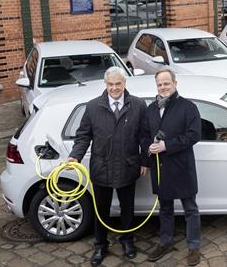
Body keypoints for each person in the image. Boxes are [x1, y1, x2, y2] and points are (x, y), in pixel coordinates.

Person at [67, 66, 148, 266]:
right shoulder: (93, 106)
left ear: (124, 83)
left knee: (127, 208)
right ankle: (100, 245)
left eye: (118, 84)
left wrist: (145, 161)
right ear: (106, 84)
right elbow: (83, 135)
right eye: (110, 84)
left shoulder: (137, 105)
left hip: (128, 166)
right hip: (101, 168)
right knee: (100, 210)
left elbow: (144, 137)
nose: (114, 88)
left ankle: (127, 241)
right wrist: (74, 156)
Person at [142, 69, 202, 266]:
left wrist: (167, 145)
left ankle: (193, 246)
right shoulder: (150, 109)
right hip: (160, 168)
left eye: (166, 83)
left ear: (175, 83)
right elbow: (143, 135)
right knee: (165, 208)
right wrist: (148, 146)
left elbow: (194, 135)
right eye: (160, 84)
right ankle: (165, 242)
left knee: (190, 209)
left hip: (182, 167)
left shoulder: (188, 107)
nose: (163, 87)